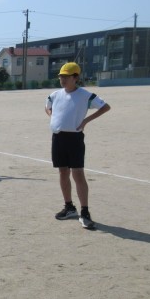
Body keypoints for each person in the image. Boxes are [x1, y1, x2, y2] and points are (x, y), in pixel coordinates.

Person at [45, 62, 111, 230]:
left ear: (75, 77)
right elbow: (48, 106)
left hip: (74, 139)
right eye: (61, 77)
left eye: (66, 77)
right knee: (63, 172)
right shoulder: (55, 94)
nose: (62, 80)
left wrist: (86, 120)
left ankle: (85, 212)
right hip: (58, 137)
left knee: (78, 174)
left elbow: (105, 107)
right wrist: (53, 117)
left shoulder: (85, 95)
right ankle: (69, 207)